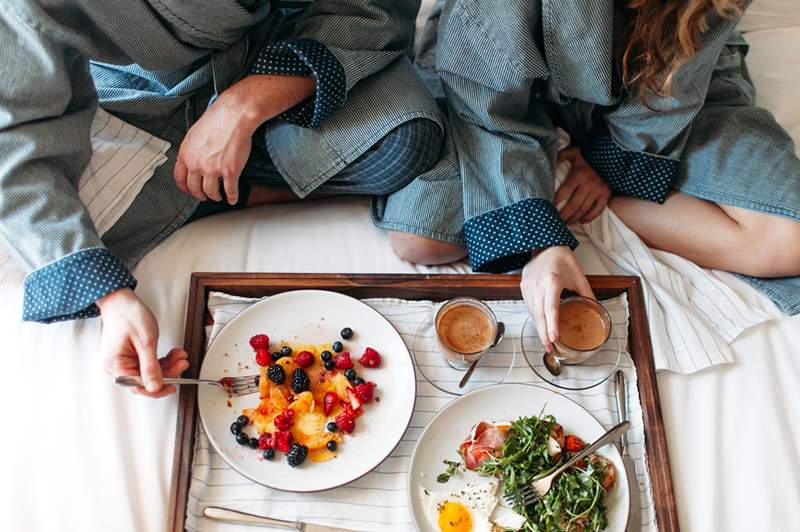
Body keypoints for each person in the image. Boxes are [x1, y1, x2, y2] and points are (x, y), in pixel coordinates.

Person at [0, 0, 444, 398]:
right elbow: (12, 137)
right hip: (138, 91)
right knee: (44, 244)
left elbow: (372, 10)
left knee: (407, 144)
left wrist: (243, 106)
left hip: (296, 40)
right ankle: (235, 191)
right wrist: (112, 300)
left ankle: (225, 173)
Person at [377, 0, 800, 350]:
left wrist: (609, 164)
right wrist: (539, 244)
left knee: (787, 239)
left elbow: (676, 87)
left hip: (663, 91)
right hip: (493, 75)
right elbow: (487, 102)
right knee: (421, 239)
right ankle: (554, 185)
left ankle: (591, 186)